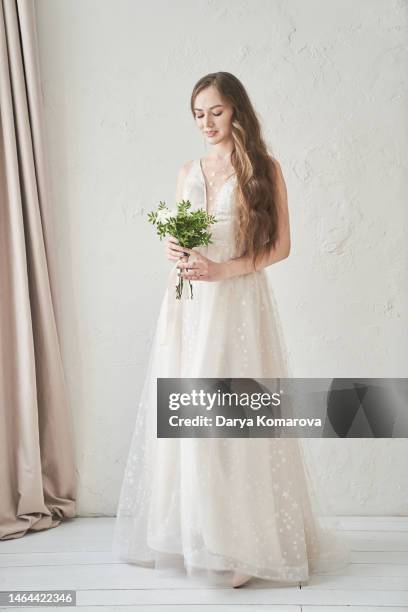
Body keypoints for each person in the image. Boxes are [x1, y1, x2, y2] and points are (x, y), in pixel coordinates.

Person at [112, 71, 351, 589]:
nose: (206, 123)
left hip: (237, 304)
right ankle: (196, 534)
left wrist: (224, 270)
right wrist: (173, 250)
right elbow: (178, 234)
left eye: (215, 111)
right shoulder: (188, 171)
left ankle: (244, 544)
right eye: (198, 114)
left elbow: (282, 247)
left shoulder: (264, 170)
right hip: (188, 307)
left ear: (236, 110)